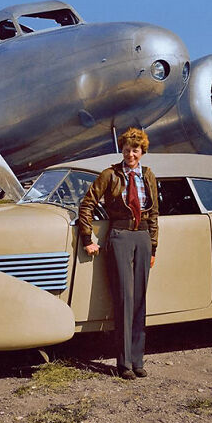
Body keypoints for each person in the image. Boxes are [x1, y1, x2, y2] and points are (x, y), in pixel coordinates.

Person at [78, 127, 158, 380]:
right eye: (126, 149)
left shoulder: (148, 175)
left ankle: (138, 360)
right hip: (120, 237)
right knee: (124, 298)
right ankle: (123, 364)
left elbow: (154, 214)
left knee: (140, 301)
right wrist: (86, 238)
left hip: (143, 238)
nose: (130, 154)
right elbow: (87, 203)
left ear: (142, 152)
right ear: (121, 150)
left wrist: (153, 246)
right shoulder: (110, 174)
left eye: (135, 150)